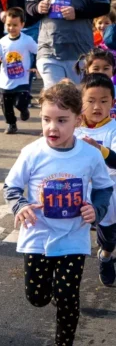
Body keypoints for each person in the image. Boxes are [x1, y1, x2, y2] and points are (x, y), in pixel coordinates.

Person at [4, 81, 113, 346]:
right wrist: (21, 206)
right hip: (38, 237)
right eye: (46, 119)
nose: (53, 127)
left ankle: (64, 342)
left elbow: (104, 186)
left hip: (73, 238)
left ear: (78, 119)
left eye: (62, 120)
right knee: (37, 297)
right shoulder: (32, 153)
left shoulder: (89, 154)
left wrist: (95, 210)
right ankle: (50, 292)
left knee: (68, 297)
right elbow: (11, 186)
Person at [72, 73, 116, 287]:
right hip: (76, 191)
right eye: (90, 101)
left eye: (103, 101)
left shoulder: (113, 129)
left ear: (113, 103)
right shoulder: (71, 127)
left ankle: (105, 255)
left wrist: (99, 149)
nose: (97, 106)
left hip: (108, 191)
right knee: (68, 235)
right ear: (81, 102)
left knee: (109, 237)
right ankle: (64, 279)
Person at [0, 8, 37, 134]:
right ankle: (11, 124)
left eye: (15, 25)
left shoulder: (27, 40)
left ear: (22, 24)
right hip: (6, 80)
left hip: (22, 78)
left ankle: (24, 109)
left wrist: (35, 66)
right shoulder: (2, 41)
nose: (11, 28)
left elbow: (38, 52)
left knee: (20, 102)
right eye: (9, 25)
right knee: (6, 105)